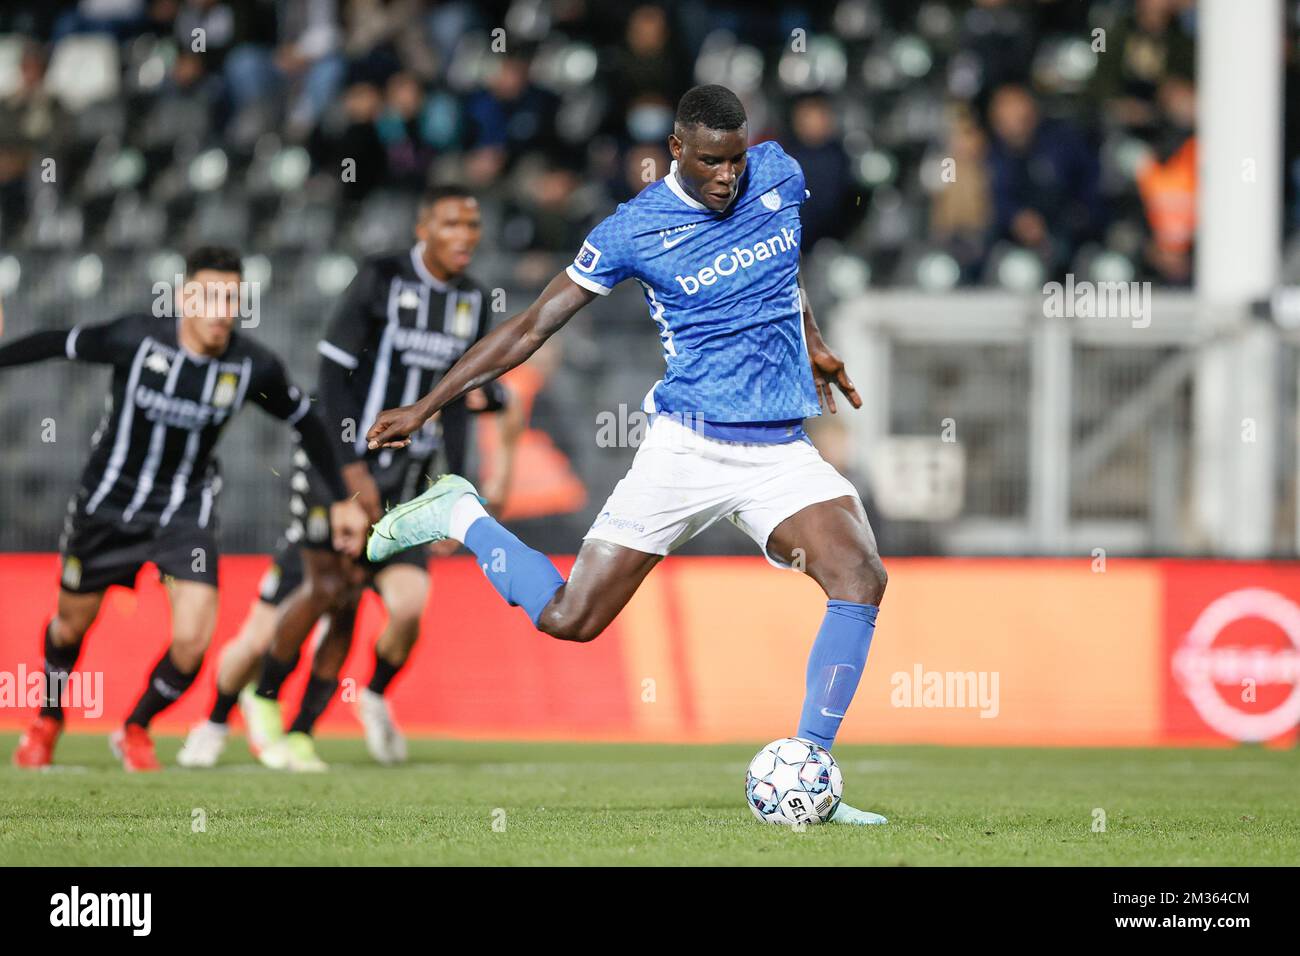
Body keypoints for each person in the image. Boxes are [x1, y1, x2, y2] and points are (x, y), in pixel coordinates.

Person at [364, 85, 889, 825]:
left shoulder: (777, 172)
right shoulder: (634, 230)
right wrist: (427, 405)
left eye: (735, 160)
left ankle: (809, 770)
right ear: (675, 149)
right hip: (688, 448)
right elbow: (530, 328)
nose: (726, 177)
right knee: (571, 619)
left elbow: (782, 266)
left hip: (778, 448)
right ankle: (459, 511)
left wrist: (812, 341)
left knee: (860, 575)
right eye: (710, 161)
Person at [185, 186, 518, 772]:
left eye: (473, 224)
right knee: (300, 609)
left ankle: (346, 709)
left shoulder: (470, 299)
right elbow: (331, 378)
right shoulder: (379, 278)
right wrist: (349, 474)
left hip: (406, 482)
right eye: (452, 223)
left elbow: (463, 399)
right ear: (423, 227)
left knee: (407, 605)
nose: (466, 235)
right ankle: (220, 719)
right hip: (336, 468)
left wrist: (456, 486)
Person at [2, 245, 368, 771]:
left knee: (194, 640)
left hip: (183, 510)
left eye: (232, 300)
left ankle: (135, 727)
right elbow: (57, 342)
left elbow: (306, 423)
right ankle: (49, 717)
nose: (222, 310)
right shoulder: (135, 338)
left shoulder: (252, 365)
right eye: (211, 297)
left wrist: (342, 500)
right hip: (107, 504)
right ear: (184, 298)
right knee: (69, 626)